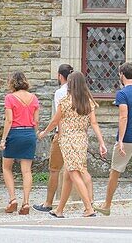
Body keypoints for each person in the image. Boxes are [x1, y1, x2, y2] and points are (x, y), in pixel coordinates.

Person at [38, 72, 106, 218]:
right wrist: (101, 142)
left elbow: (55, 121)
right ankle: (60, 209)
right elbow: (94, 123)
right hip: (82, 139)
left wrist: (44, 132)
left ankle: (88, 208)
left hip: (67, 140)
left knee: (74, 173)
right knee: (68, 175)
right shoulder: (88, 101)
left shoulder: (65, 101)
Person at [93, 61, 132, 215]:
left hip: (128, 138)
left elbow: (123, 117)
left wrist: (120, 140)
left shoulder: (122, 93)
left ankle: (107, 205)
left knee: (115, 171)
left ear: (122, 74)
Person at [34, 64, 86, 213]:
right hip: (78, 135)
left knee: (54, 169)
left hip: (63, 134)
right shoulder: (81, 92)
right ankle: (87, 202)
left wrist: (50, 133)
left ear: (60, 76)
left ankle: (49, 202)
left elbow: (59, 117)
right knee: (79, 170)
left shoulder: (60, 93)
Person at [0, 71, 39, 214]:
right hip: (29, 133)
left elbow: (9, 120)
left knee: (7, 167)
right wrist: (35, 134)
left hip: (15, 133)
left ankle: (12, 199)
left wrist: (3, 139)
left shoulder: (10, 98)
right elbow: (36, 121)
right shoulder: (34, 98)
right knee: (27, 170)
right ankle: (26, 202)